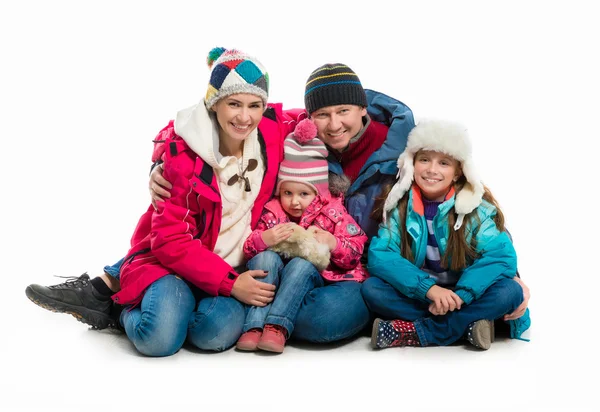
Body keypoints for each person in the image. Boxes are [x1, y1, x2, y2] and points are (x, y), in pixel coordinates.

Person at [26, 63, 530, 343]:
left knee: (329, 321)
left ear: (362, 110)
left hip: (347, 265)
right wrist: (161, 159)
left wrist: (492, 283)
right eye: (324, 114)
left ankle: (422, 328)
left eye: (345, 112)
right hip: (268, 248)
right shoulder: (294, 132)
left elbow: (465, 201)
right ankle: (117, 286)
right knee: (214, 233)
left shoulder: (406, 156)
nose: (335, 125)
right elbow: (212, 124)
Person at [27, 47, 301, 356]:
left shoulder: (270, 130)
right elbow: (170, 241)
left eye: (254, 105)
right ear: (214, 104)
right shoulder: (184, 158)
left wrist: (365, 107)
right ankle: (117, 310)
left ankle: (157, 300)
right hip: (177, 263)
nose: (244, 116)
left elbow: (326, 113)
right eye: (233, 104)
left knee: (215, 335)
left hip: (230, 265)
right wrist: (230, 285)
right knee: (158, 340)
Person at [361, 119, 531, 350]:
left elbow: (500, 257)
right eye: (424, 160)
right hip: (424, 294)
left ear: (458, 172)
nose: (432, 170)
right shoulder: (399, 207)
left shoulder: (474, 209)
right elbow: (382, 255)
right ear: (412, 164)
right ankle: (468, 326)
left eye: (443, 163)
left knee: (510, 291)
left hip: (467, 293)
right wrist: (428, 290)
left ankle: (421, 332)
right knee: (372, 289)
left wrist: (461, 296)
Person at [237, 118, 368, 353]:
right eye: (287, 192)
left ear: (318, 194)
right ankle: (254, 327)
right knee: (264, 260)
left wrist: (333, 243)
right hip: (277, 281)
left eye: (304, 194)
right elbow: (247, 250)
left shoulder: (333, 213)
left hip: (320, 280)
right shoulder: (273, 213)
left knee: (301, 264)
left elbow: (357, 250)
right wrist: (265, 239)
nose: (294, 201)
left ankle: (277, 326)